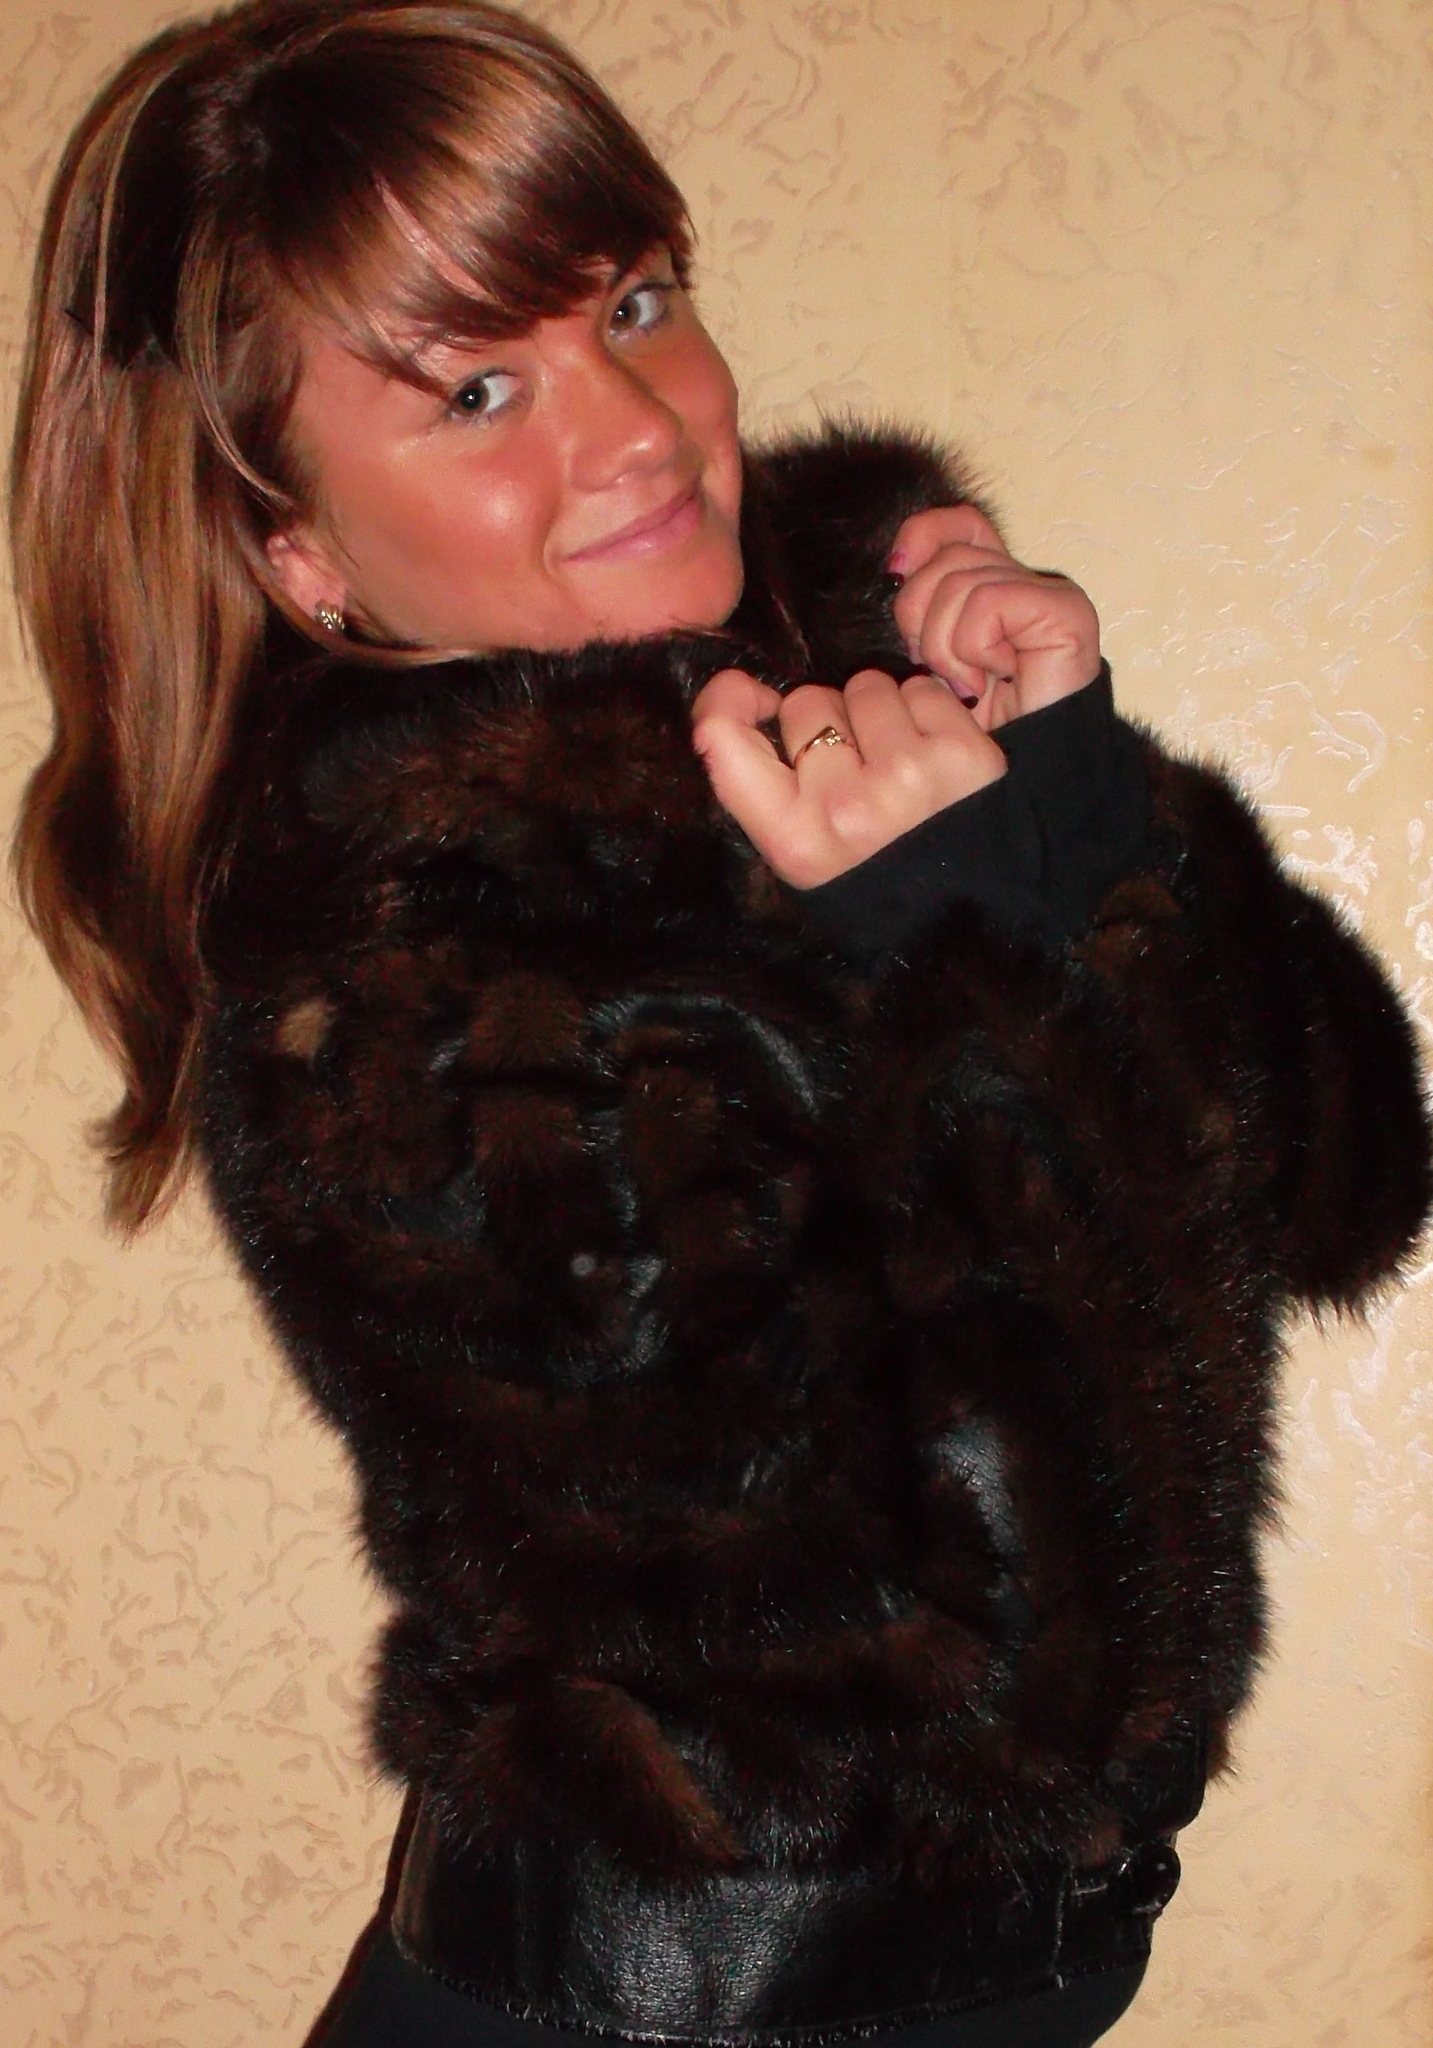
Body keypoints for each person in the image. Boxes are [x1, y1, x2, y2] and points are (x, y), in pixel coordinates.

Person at [9, 3, 1429, 2045]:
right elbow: (983, 1669)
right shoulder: (401, 995)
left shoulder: (858, 715)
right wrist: (963, 950)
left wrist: (1077, 805)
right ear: (297, 550)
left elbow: (1339, 1191)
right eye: (477, 388)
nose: (635, 426)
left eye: (634, 304)